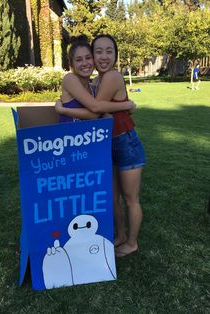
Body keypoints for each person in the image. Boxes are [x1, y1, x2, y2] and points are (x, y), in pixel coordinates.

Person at [56, 34, 145, 257]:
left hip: (125, 142)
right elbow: (101, 109)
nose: (103, 56)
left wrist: (64, 110)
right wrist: (127, 104)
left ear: (115, 55)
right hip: (106, 143)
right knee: (112, 196)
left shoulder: (112, 76)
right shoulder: (95, 81)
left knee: (130, 198)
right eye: (98, 52)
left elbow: (96, 109)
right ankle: (121, 235)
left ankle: (131, 242)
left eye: (109, 51)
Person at [58, 35, 136, 124]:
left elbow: (100, 110)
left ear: (93, 59)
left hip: (88, 136)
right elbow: (95, 111)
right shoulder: (70, 78)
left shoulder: (93, 86)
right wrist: (126, 105)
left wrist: (62, 110)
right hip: (69, 136)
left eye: (88, 58)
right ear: (71, 64)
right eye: (78, 60)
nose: (85, 63)